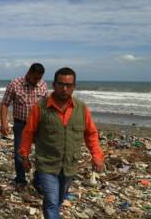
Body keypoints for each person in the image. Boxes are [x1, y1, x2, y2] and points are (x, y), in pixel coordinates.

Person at [19, 67, 104, 219]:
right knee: (52, 200)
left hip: (70, 165)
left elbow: (91, 133)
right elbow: (28, 132)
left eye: (69, 85)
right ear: (54, 84)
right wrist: (24, 155)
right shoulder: (40, 108)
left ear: (74, 86)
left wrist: (97, 156)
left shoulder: (82, 109)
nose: (65, 88)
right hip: (47, 163)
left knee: (58, 199)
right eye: (61, 84)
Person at [0, 63, 47, 188]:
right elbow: (5, 104)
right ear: (29, 73)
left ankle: (38, 180)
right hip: (21, 124)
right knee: (20, 153)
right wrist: (4, 123)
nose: (38, 81)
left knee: (41, 153)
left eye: (40, 78)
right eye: (36, 78)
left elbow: (47, 105)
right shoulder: (15, 84)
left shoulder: (42, 85)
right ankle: (20, 179)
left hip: (39, 125)